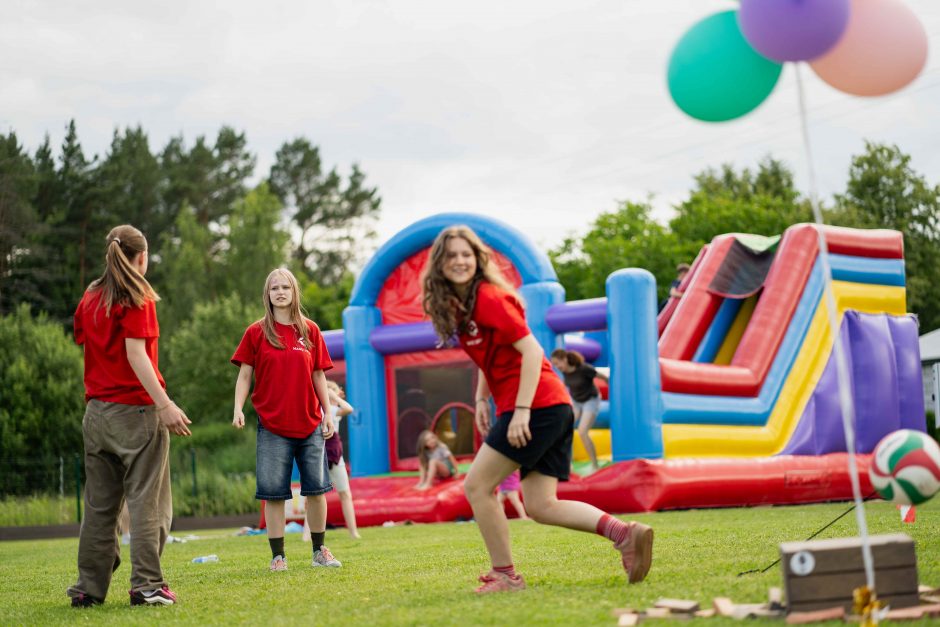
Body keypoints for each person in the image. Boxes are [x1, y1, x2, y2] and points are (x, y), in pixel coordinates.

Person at [421, 225, 653, 594]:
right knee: (542, 505)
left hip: (537, 406)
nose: (460, 261)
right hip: (550, 407)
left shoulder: (489, 298)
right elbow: (490, 357)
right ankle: (624, 534)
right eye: (451, 255)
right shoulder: (461, 307)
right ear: (439, 264)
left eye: (466, 254)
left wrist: (523, 412)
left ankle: (505, 575)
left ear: (478, 259)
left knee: (478, 486)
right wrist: (482, 398)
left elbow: (531, 351)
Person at [67, 225, 192, 608]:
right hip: (136, 413)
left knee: (99, 507)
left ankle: (88, 588)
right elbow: (136, 355)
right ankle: (148, 585)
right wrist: (164, 404)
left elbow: (84, 341)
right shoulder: (138, 295)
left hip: (96, 415)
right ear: (141, 256)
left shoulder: (91, 296)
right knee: (149, 503)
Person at [232, 268, 341, 572]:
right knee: (274, 493)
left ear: (294, 292)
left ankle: (320, 551)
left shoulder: (310, 330)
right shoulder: (256, 332)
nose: (280, 292)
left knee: (317, 490)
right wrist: (238, 408)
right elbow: (244, 375)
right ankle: (278, 557)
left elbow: (318, 373)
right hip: (272, 426)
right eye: (274, 288)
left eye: (285, 287)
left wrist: (327, 413)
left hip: (310, 424)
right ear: (267, 295)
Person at [549, 349, 608, 474]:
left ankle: (595, 465)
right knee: (565, 430)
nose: (557, 367)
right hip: (576, 402)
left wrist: (613, 388)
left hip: (590, 400)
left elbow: (603, 377)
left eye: (558, 363)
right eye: (554, 365)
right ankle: (567, 464)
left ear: (565, 359)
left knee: (582, 431)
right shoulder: (564, 372)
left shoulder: (584, 369)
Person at [324, 380, 361, 539]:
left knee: (345, 493)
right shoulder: (318, 409)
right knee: (313, 496)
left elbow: (349, 408)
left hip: (334, 456)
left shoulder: (333, 410)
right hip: (319, 455)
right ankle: (307, 534)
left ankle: (353, 531)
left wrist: (334, 397)